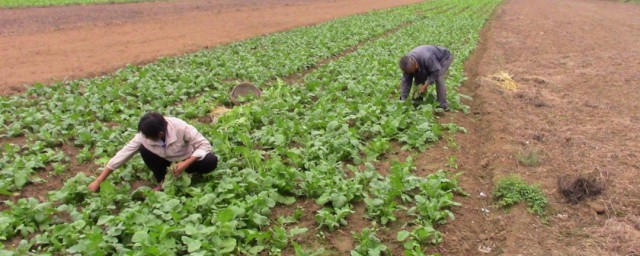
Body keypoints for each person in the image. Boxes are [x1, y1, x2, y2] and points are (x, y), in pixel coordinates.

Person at [88, 112, 218, 192]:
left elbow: (205, 145)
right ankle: (163, 182)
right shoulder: (144, 136)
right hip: (166, 165)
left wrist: (187, 162)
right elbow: (123, 154)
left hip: (186, 160)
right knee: (144, 148)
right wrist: (99, 180)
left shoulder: (180, 127)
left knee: (210, 160)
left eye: (148, 136)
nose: (144, 137)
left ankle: (189, 174)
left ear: (160, 133)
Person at [399, 45, 453, 110]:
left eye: (411, 71)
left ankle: (442, 105)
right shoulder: (407, 65)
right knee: (419, 76)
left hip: (443, 58)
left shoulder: (427, 57)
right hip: (430, 61)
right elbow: (406, 82)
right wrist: (403, 100)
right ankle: (417, 101)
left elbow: (436, 71)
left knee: (439, 78)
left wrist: (425, 85)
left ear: (416, 65)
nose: (410, 74)